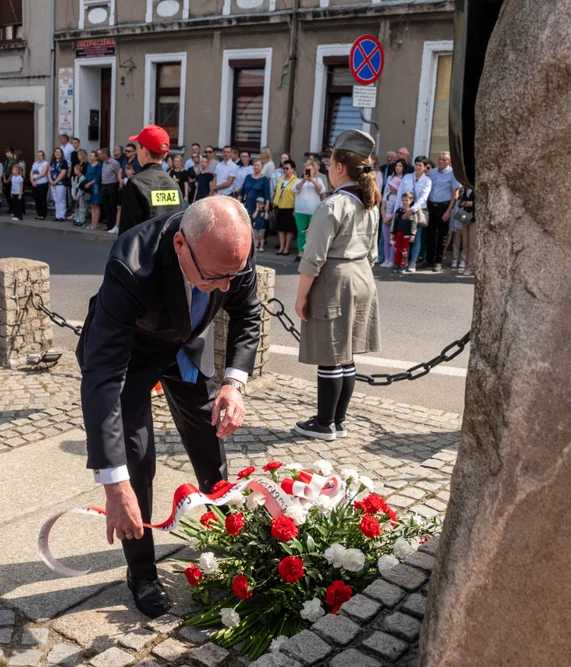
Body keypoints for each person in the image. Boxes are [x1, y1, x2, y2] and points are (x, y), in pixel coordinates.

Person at [77, 196, 260, 617]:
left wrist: (233, 384)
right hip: (131, 355)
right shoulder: (131, 264)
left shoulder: (232, 251)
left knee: (209, 436)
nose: (226, 287)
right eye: (216, 276)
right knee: (136, 457)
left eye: (234, 274)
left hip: (186, 346)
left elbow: (247, 313)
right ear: (180, 244)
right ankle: (141, 569)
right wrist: (113, 484)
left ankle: (223, 536)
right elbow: (103, 375)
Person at [292, 129, 381, 441]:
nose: (328, 168)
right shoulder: (369, 202)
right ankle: (338, 420)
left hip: (336, 279)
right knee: (346, 354)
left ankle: (324, 423)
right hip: (362, 277)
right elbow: (373, 253)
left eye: (330, 163)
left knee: (330, 353)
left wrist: (301, 296)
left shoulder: (333, 205)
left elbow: (312, 257)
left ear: (340, 167)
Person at [117, 125, 183, 235]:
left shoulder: (136, 183)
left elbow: (127, 233)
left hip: (144, 250)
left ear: (145, 151)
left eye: (138, 148)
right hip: (168, 250)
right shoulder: (174, 185)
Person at [424, 150, 462, 272]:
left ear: (449, 161)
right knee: (430, 234)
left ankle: (438, 261)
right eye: (439, 159)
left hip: (444, 207)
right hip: (431, 206)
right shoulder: (433, 172)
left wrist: (449, 211)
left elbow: (455, 194)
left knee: (442, 236)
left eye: (443, 160)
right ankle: (429, 260)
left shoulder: (452, 174)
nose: (440, 161)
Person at [293, 160, 325, 262]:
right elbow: (294, 190)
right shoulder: (298, 180)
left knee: (313, 233)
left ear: (314, 170)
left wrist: (312, 180)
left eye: (309, 170)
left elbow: (321, 190)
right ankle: (300, 253)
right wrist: (303, 181)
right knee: (301, 232)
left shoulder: (318, 180)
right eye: (306, 170)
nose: (307, 172)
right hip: (300, 211)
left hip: (313, 211)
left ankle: (312, 253)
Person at [271, 159, 298, 255]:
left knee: (289, 229)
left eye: (287, 168)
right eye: (284, 168)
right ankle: (281, 247)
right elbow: (277, 192)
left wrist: (295, 209)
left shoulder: (296, 181)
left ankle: (286, 248)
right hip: (280, 207)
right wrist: (274, 204)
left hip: (289, 207)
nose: (285, 170)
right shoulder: (281, 179)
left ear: (292, 169)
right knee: (280, 228)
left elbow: (296, 196)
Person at [390, 192, 416, 275]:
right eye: (403, 200)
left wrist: (412, 235)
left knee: (404, 251)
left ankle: (403, 265)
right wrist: (392, 233)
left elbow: (414, 224)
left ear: (411, 200)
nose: (405, 202)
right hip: (398, 234)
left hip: (406, 234)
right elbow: (394, 222)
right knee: (397, 250)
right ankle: (396, 265)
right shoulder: (398, 211)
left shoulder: (412, 213)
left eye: (407, 200)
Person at [99, 148, 121, 231]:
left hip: (112, 185)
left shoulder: (114, 163)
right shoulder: (103, 163)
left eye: (101, 154)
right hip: (104, 185)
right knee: (106, 205)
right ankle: (109, 224)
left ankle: (115, 223)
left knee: (113, 205)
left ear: (106, 154)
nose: (100, 156)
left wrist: (119, 184)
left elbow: (118, 173)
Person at [48, 149, 69, 222]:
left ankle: (62, 216)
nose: (57, 153)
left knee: (61, 200)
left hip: (60, 183)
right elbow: (49, 171)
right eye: (56, 152)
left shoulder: (64, 162)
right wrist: (50, 180)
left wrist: (55, 181)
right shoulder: (52, 162)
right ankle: (57, 215)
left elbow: (63, 173)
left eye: (59, 152)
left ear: (61, 154)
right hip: (53, 184)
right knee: (56, 200)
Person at [29, 150, 50, 221]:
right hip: (34, 184)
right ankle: (38, 214)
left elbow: (43, 173)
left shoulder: (45, 163)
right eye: (38, 155)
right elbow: (31, 172)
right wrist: (32, 180)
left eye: (40, 155)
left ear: (43, 156)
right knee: (36, 199)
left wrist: (34, 178)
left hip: (42, 184)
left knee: (42, 199)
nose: (39, 157)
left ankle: (43, 215)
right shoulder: (35, 163)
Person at [85, 150, 103, 229]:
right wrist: (85, 183)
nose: (90, 157)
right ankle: (92, 223)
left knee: (96, 204)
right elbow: (87, 175)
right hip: (89, 186)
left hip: (95, 186)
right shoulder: (89, 165)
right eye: (90, 155)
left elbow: (98, 176)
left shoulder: (99, 165)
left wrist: (90, 183)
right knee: (92, 205)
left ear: (96, 157)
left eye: (92, 156)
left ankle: (96, 223)